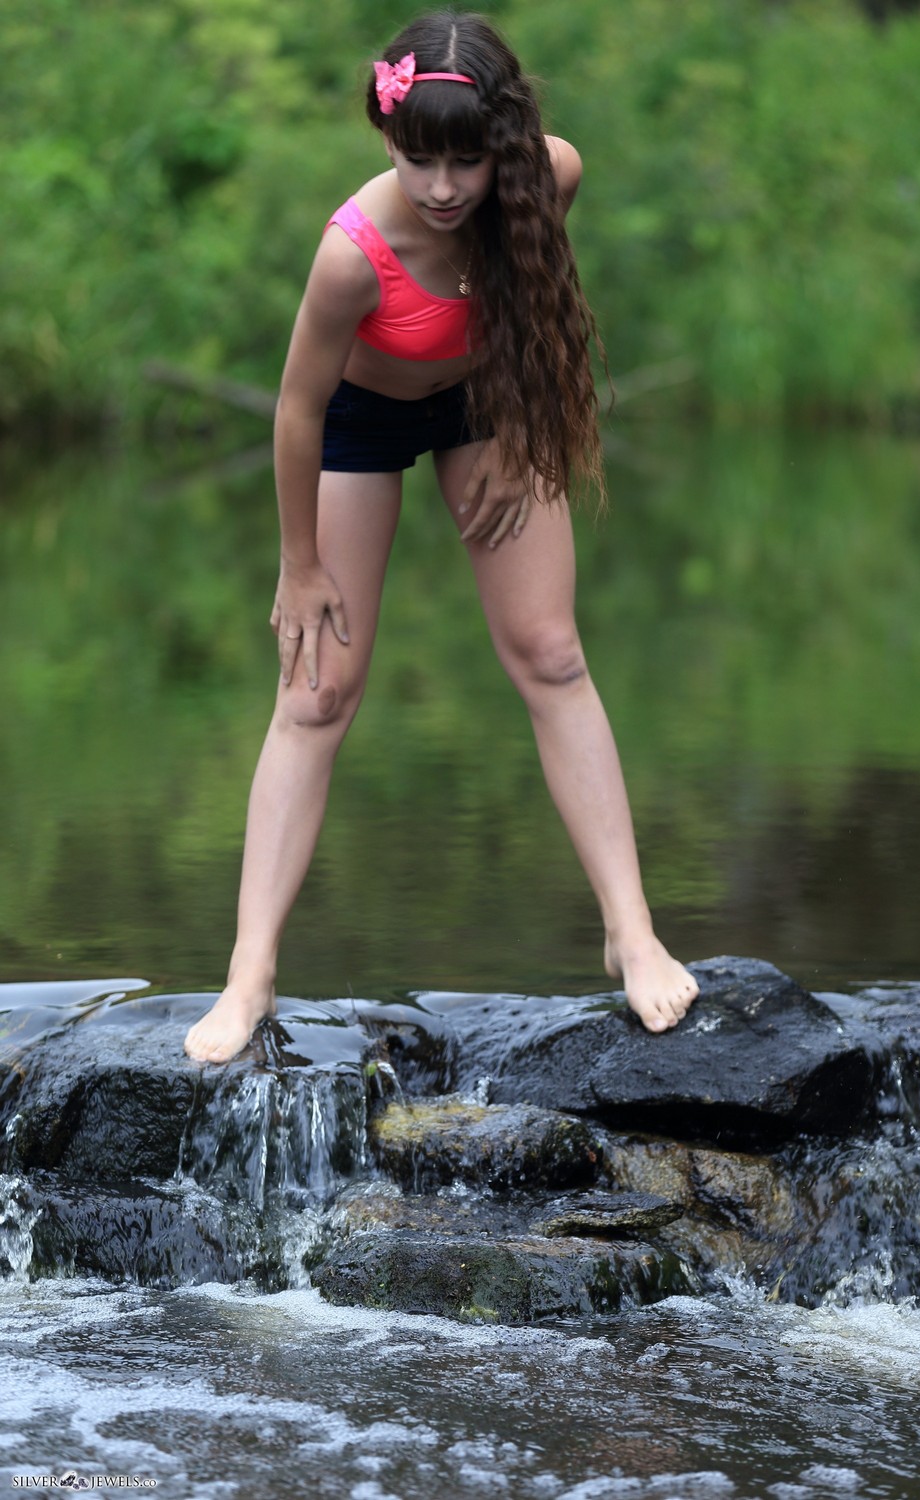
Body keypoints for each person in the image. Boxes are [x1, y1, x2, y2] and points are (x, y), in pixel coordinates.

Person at [183, 8, 699, 1064]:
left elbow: (532, 304)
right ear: (388, 138)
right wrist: (299, 565)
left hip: (482, 405)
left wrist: (521, 430)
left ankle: (631, 931)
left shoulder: (549, 174)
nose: (445, 187)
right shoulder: (351, 257)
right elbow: (294, 410)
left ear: (502, 143)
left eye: (467, 161)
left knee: (552, 654)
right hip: (355, 423)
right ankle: (250, 972)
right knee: (316, 694)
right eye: (419, 160)